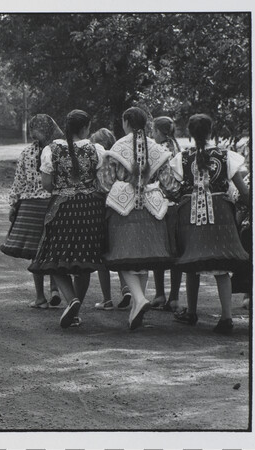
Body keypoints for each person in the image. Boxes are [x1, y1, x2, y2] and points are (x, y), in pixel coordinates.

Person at [98, 106, 179, 330]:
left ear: (126, 122)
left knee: (121, 256)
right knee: (143, 260)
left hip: (123, 209)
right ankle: (137, 305)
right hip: (152, 209)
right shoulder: (157, 148)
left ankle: (139, 300)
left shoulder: (118, 147)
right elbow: (170, 185)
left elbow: (104, 183)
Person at [170, 114, 249, 334]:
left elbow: (172, 189)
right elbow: (243, 190)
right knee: (221, 265)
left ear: (190, 133)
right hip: (220, 214)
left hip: (191, 214)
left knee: (192, 262)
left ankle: (192, 312)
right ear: (211, 130)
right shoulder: (226, 156)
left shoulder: (181, 158)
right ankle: (226, 318)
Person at [28, 110, 107, 328]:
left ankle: (71, 299)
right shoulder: (96, 150)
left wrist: (65, 189)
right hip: (90, 209)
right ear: (86, 127)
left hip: (62, 207)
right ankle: (75, 308)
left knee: (53, 257)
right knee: (84, 260)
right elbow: (102, 180)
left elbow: (46, 184)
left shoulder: (50, 150)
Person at [0, 114, 64, 309]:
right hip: (54, 203)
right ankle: (55, 289)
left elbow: (19, 181)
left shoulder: (27, 152)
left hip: (30, 207)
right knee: (54, 248)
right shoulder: (60, 150)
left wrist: (13, 205)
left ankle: (40, 298)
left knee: (36, 252)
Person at [89, 128, 131, 311]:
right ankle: (126, 288)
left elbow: (100, 187)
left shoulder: (100, 161)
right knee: (118, 251)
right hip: (120, 209)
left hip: (102, 209)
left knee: (102, 255)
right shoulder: (119, 158)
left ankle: (106, 299)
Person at [150, 116, 183, 312]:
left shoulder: (158, 150)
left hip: (161, 202)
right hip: (177, 205)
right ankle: (175, 297)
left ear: (160, 133)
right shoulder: (178, 149)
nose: (151, 135)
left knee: (160, 248)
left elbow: (160, 177)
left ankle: (159, 294)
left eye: (153, 131)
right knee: (176, 249)